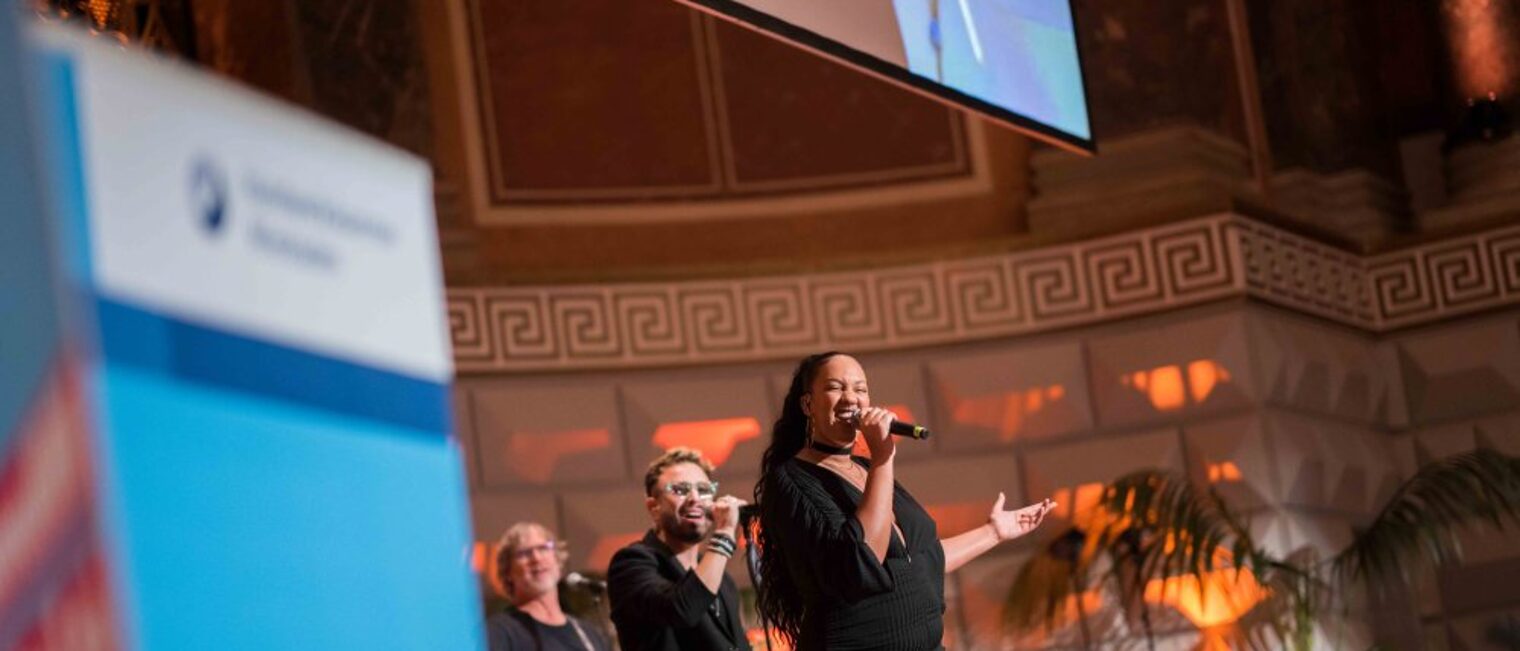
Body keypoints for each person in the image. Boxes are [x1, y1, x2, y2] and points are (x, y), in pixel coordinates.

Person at [755, 351, 1056, 650]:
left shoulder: (865, 469)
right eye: (836, 387)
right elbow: (863, 561)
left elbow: (922, 560)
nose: (851, 398)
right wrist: (883, 455)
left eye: (860, 389)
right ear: (808, 404)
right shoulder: (791, 481)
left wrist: (994, 532)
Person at [607, 448, 753, 651]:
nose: (695, 498)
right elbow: (681, 610)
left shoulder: (721, 578)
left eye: (703, 490)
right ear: (653, 507)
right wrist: (726, 531)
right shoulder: (632, 563)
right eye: (680, 490)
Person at [486, 522, 612, 651]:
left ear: (558, 561)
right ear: (508, 573)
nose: (536, 558)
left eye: (543, 548)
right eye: (524, 553)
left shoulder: (590, 635)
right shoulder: (498, 632)